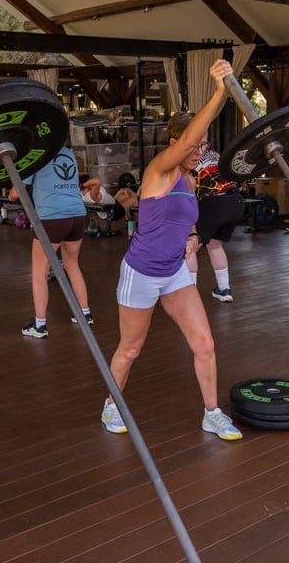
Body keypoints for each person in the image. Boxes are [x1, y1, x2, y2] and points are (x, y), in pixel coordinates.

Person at [99, 58, 242, 442]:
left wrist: (193, 238)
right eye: (195, 143)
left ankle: (212, 413)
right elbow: (192, 136)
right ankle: (112, 405)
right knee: (130, 350)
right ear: (176, 142)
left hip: (175, 272)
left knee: (205, 344)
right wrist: (219, 92)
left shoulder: (191, 181)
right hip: (142, 272)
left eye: (205, 145)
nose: (201, 150)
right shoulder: (158, 171)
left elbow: (188, 223)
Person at [12, 143, 97, 338]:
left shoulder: (36, 154)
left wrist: (12, 184)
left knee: (38, 273)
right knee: (72, 265)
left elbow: (16, 193)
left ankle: (39, 325)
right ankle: (85, 314)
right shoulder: (68, 153)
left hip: (52, 218)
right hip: (76, 215)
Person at [181, 118, 246, 302]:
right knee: (215, 244)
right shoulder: (213, 153)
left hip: (215, 202)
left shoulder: (188, 155)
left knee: (190, 246)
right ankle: (224, 290)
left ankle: (189, 294)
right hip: (235, 202)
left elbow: (189, 185)